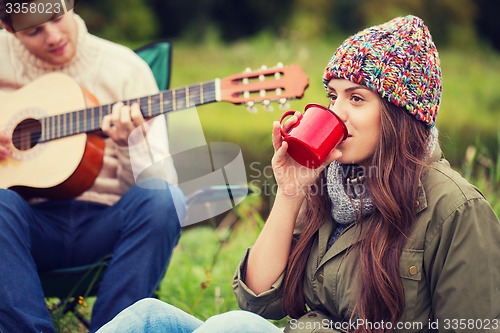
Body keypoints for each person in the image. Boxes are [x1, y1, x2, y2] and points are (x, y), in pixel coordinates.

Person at [95, 15, 500, 333]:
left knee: (233, 328)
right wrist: (290, 192)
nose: (335, 112)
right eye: (333, 96)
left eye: (356, 98)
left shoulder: (456, 209)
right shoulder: (332, 184)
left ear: (401, 115)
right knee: (147, 318)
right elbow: (258, 300)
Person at [0, 3, 186, 333]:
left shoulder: (127, 69)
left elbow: (161, 185)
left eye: (57, 18)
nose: (53, 36)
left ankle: (116, 329)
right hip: (24, 232)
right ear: (8, 28)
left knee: (164, 199)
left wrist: (135, 143)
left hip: (107, 225)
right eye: (34, 30)